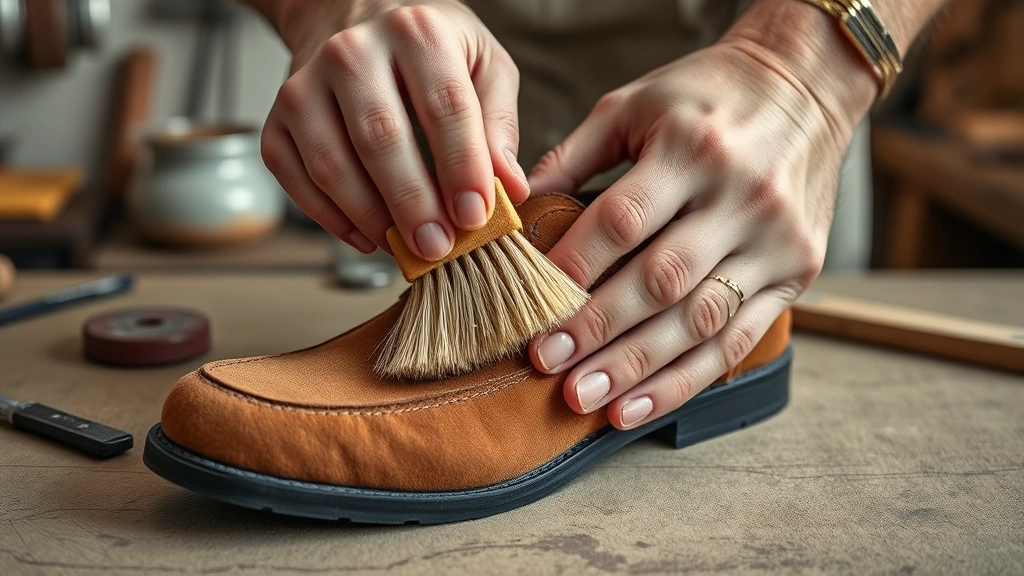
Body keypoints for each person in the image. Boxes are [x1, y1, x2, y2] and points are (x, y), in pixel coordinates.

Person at [242, 0, 944, 429]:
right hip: (435, 119)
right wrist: (327, 4)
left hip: (752, 168)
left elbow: (805, 72)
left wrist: (803, 73)